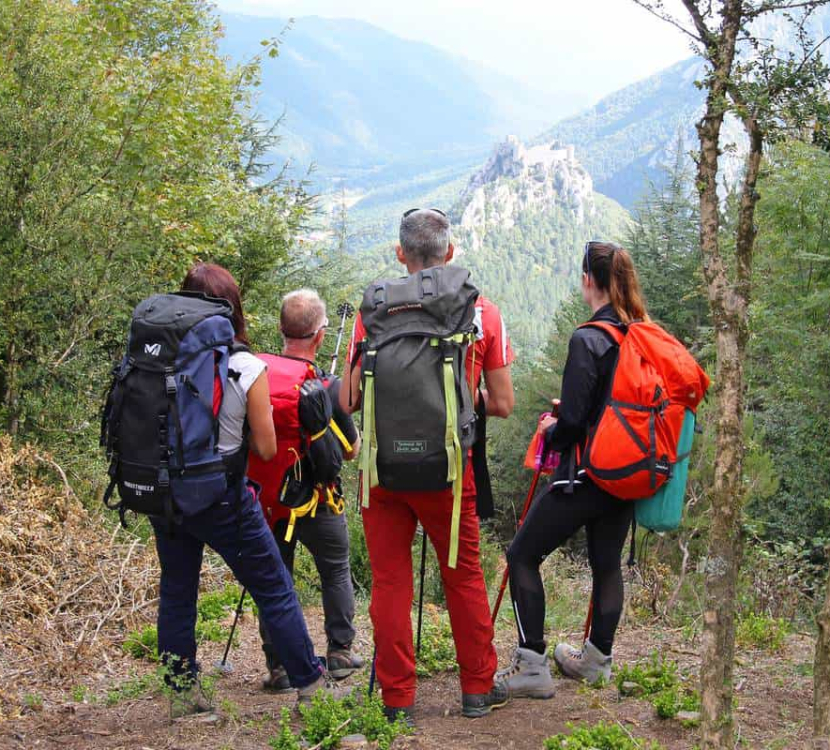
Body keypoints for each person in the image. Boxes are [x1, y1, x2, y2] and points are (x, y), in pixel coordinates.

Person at [341, 208, 515, 722]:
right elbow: (503, 403)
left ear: (400, 254)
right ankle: (477, 690)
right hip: (449, 470)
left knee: (390, 581)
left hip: (382, 470)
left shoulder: (373, 311)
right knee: (463, 577)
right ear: (450, 253)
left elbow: (349, 397)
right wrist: (460, 394)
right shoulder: (481, 311)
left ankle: (397, 701)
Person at [151, 263, 343, 717]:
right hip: (222, 497)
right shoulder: (244, 366)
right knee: (274, 587)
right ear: (232, 310)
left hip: (166, 495)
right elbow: (265, 445)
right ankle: (311, 686)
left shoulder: (158, 358)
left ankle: (182, 695)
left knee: (177, 590)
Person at [498, 241, 647, 697]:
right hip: (626, 473)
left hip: (584, 474)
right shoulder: (637, 334)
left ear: (588, 280)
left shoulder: (588, 339)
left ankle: (532, 667)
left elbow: (576, 421)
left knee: (522, 555)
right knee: (606, 564)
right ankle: (596, 662)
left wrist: (550, 427)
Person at [247, 289, 364, 692]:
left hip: (267, 501)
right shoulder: (326, 386)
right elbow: (350, 451)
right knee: (334, 570)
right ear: (320, 335)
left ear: (281, 329)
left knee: (275, 579)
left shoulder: (255, 374)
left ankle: (279, 666)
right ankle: (340, 652)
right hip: (318, 499)